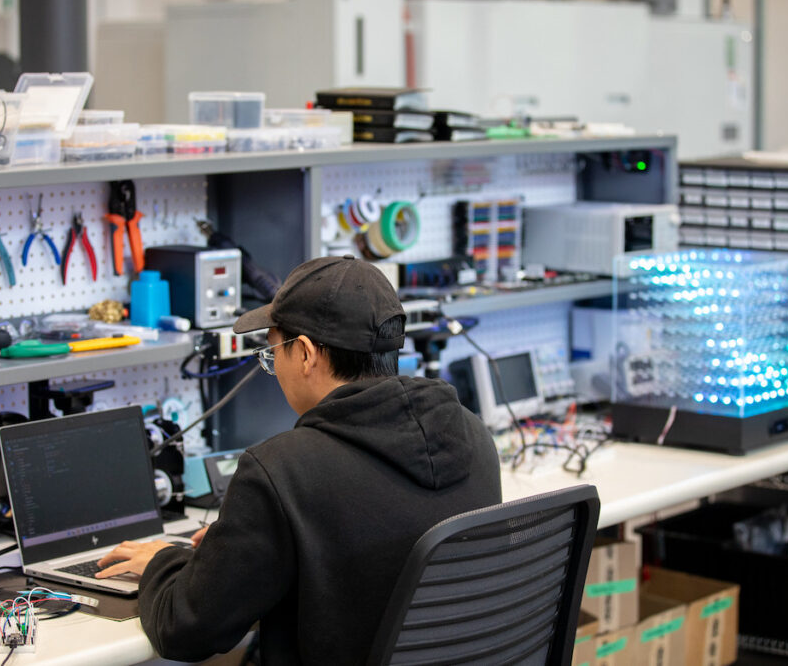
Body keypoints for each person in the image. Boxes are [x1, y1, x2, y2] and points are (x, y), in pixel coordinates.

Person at [96, 254, 502, 664]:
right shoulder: (473, 435)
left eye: (274, 353)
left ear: (306, 354)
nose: (275, 368)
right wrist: (239, 546)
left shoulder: (282, 471)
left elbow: (184, 631)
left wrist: (164, 562)